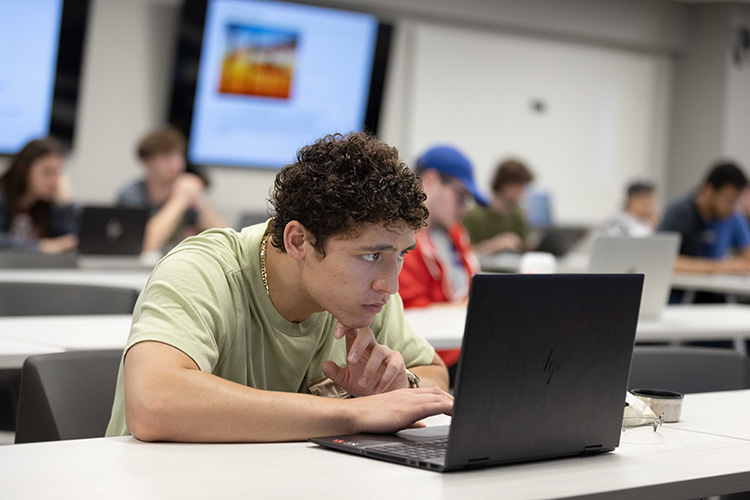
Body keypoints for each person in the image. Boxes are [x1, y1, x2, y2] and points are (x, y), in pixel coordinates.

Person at [106, 132, 452, 442]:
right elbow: (154, 403)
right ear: (298, 241)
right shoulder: (201, 271)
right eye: (371, 255)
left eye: (401, 254)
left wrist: (400, 386)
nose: (391, 284)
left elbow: (435, 374)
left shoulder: (367, 294)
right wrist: (353, 413)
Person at [398, 145, 485, 374]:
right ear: (430, 181)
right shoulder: (400, 242)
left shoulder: (454, 235)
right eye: (461, 197)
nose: (463, 209)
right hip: (429, 360)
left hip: (461, 350)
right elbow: (410, 315)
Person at [116, 127, 227, 254]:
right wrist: (179, 200)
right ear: (146, 162)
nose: (176, 164)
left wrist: (200, 200)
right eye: (166, 157)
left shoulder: (186, 191)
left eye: (179, 156)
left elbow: (226, 239)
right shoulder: (132, 196)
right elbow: (143, 243)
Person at [659, 162, 750, 275]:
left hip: (714, 290)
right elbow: (662, 260)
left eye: (736, 202)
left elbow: (747, 252)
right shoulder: (681, 213)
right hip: (681, 290)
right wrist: (724, 266)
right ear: (709, 190)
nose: (732, 208)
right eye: (729, 201)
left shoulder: (731, 218)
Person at [0, 137, 78, 253]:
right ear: (24, 169)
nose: (55, 181)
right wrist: (40, 246)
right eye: (47, 172)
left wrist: (66, 206)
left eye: (58, 172)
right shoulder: (3, 198)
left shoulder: (50, 205)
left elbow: (70, 242)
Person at [462, 159, 534, 256]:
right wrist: (495, 245)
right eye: (519, 185)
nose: (522, 192)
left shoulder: (517, 215)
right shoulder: (473, 216)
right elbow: (465, 254)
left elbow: (524, 251)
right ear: (504, 184)